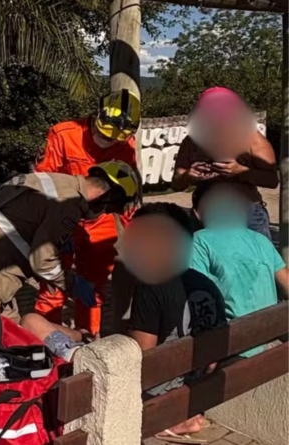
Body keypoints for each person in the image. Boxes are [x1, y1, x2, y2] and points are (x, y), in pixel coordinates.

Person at [21, 203, 226, 441]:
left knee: (30, 322)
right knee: (78, 334)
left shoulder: (154, 286)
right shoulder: (204, 283)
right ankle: (83, 336)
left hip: (155, 392)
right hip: (194, 384)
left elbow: (139, 359)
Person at [0, 161, 142, 338]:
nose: (102, 214)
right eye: (108, 209)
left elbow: (28, 219)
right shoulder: (67, 205)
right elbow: (43, 262)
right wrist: (73, 284)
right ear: (105, 196)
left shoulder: (61, 184)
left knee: (9, 335)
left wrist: (58, 241)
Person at [33, 89, 139, 336]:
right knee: (52, 287)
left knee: (93, 290)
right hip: (60, 219)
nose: (106, 141)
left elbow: (126, 193)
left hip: (100, 223)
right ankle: (43, 342)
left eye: (113, 139)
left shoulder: (126, 145)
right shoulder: (63, 134)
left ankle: (87, 339)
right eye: (102, 134)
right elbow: (41, 183)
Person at [189, 181, 288, 357]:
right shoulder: (262, 240)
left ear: (197, 213)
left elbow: (196, 298)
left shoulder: (199, 241)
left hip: (233, 346)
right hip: (268, 339)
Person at [171, 87, 278, 240]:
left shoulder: (252, 138)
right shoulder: (191, 142)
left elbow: (272, 180)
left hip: (247, 214)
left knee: (256, 263)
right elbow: (176, 183)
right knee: (206, 263)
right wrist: (188, 175)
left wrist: (241, 171)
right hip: (205, 214)